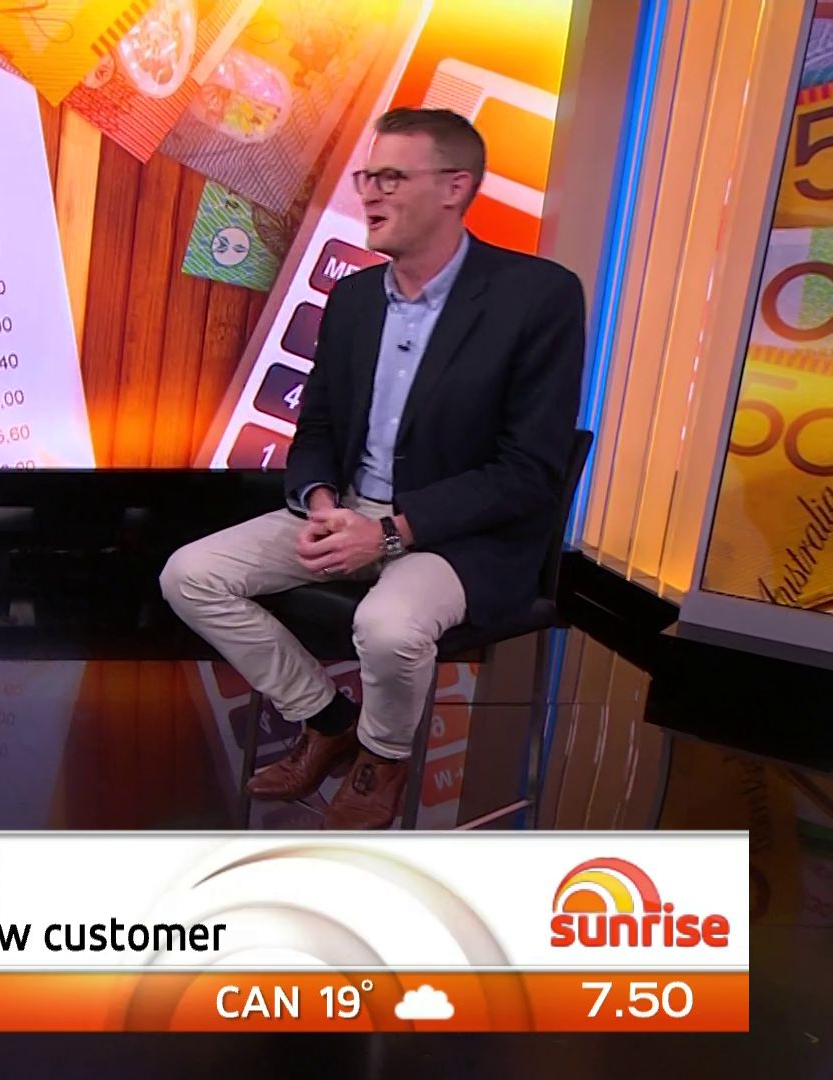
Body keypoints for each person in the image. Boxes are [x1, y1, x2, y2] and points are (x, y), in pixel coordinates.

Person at [160, 108, 585, 828]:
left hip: (459, 537)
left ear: (455, 187)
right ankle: (327, 719)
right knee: (190, 575)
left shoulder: (538, 295)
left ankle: (381, 758)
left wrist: (389, 533)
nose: (369, 194)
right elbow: (319, 427)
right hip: (351, 508)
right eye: (367, 177)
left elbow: (528, 471)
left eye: (391, 178)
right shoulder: (354, 298)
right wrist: (324, 503)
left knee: (387, 627)